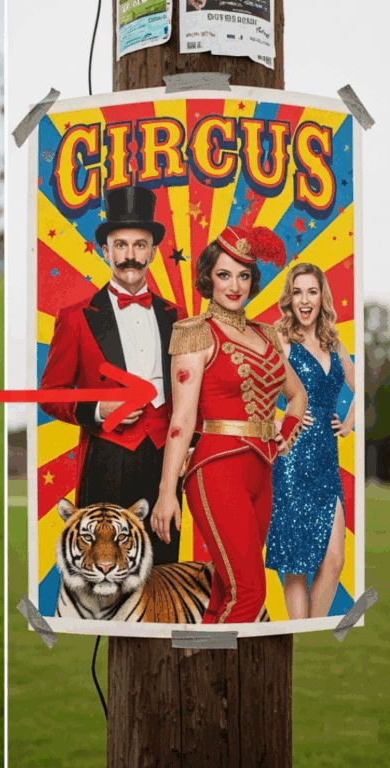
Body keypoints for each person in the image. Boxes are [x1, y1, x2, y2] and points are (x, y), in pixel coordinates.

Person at [151, 225, 308, 624]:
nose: (234, 285)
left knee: (226, 592)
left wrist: (284, 435)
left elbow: (298, 396)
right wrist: (167, 493)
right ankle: (214, 686)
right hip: (215, 469)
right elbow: (180, 421)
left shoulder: (267, 335)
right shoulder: (195, 334)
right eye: (224, 275)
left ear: (253, 281)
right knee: (250, 594)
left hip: (262, 472)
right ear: (209, 278)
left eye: (243, 276)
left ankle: (190, 674)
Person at [40, 185, 184, 567]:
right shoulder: (75, 318)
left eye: (140, 245)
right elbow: (51, 394)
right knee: (108, 572)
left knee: (164, 571)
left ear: (153, 252)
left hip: (165, 460)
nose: (130, 256)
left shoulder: (178, 317)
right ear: (106, 251)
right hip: (107, 458)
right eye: (121, 245)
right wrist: (99, 407)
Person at [267, 263, 355, 619]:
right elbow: (250, 390)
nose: (305, 300)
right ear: (291, 298)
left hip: (326, 463)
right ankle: (303, 639)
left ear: (322, 298)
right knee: (296, 561)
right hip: (292, 460)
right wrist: (276, 421)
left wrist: (349, 422)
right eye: (298, 292)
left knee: (335, 559)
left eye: (312, 292)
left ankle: (311, 634)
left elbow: (358, 384)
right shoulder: (281, 340)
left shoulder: (334, 342)